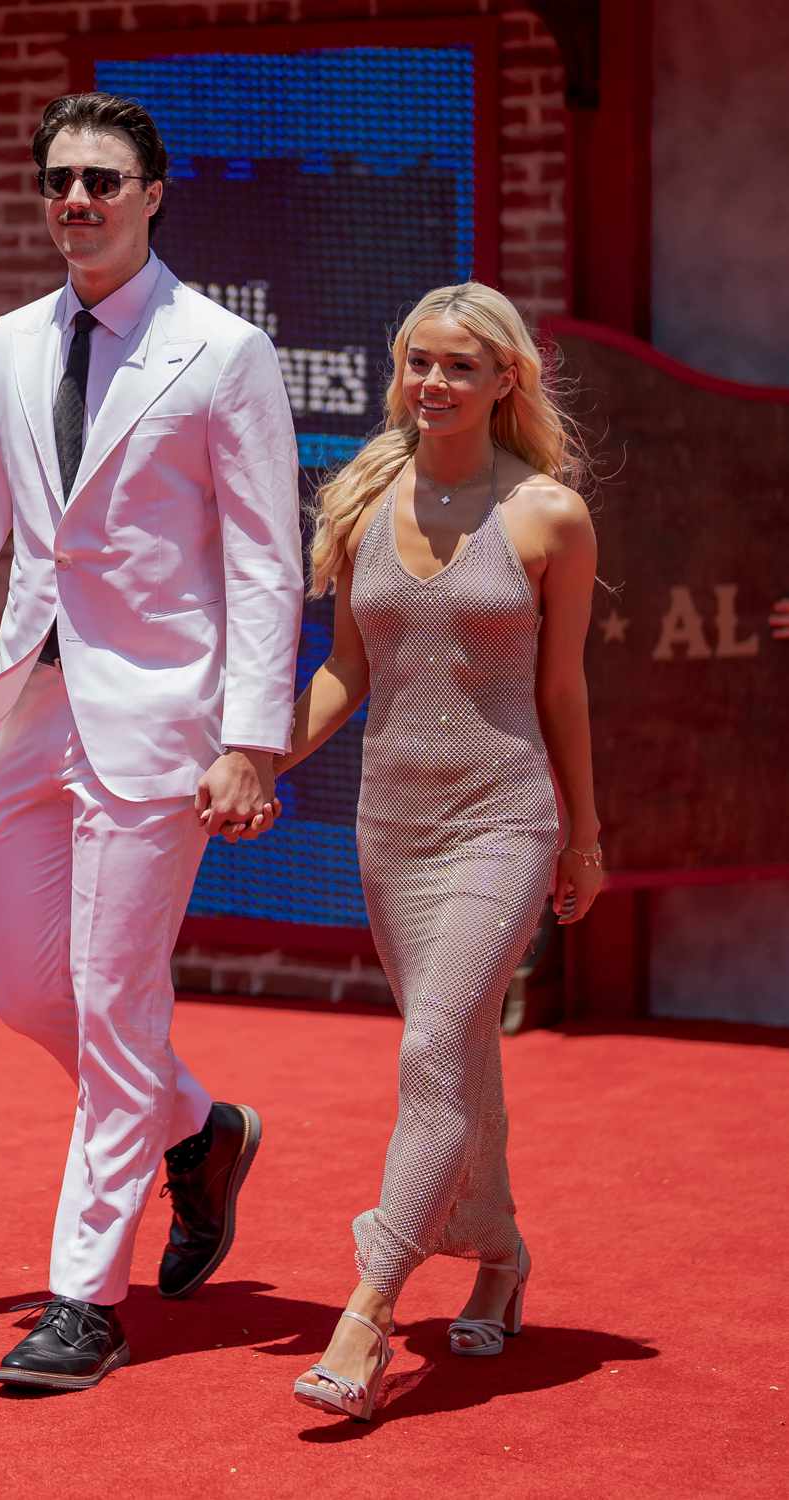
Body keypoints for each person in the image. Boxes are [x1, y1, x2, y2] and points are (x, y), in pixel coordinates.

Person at [0, 91, 304, 1392]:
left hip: (160, 724)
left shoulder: (223, 352)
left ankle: (82, 1300)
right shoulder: (3, 346)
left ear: (154, 193)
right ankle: (198, 1130)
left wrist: (250, 739)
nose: (77, 200)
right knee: (28, 993)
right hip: (30, 707)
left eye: (102, 177)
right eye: (59, 179)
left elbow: (270, 568)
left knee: (112, 1003)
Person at [282, 282, 603, 1421]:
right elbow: (343, 673)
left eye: (461, 366)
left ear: (504, 378)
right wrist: (254, 761)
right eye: (418, 361)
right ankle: (502, 1254)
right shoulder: (363, 496)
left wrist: (583, 835)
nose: (433, 384)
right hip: (391, 829)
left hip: (503, 821)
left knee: (427, 1048)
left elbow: (560, 689)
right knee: (457, 1056)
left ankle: (364, 1313)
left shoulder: (548, 515)